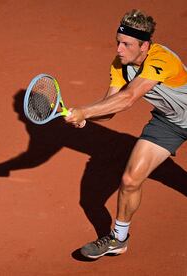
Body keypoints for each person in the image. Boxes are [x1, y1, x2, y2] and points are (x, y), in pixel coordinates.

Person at [64, 9, 187, 259]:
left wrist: (84, 111)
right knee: (130, 180)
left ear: (145, 46)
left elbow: (129, 98)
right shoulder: (120, 65)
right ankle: (118, 239)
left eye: (127, 44)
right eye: (118, 42)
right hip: (170, 124)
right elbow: (110, 108)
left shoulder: (161, 59)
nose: (119, 50)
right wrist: (85, 116)